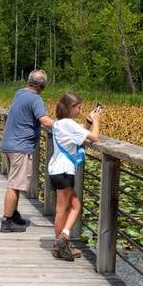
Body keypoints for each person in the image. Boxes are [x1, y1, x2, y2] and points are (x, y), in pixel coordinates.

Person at [48, 91, 102, 261]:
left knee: (71, 207)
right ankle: (62, 239)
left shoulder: (58, 123)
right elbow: (94, 137)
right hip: (65, 171)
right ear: (71, 107)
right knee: (66, 209)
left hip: (55, 170)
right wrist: (97, 122)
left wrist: (88, 121)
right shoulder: (69, 124)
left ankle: (61, 244)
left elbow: (78, 135)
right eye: (78, 107)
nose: (80, 110)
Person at [0, 69, 53, 233]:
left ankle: (14, 215)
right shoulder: (36, 99)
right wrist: (64, 126)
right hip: (20, 147)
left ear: (28, 82)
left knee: (15, 182)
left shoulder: (20, 93)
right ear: (42, 87)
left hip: (8, 145)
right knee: (15, 185)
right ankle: (7, 221)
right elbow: (44, 121)